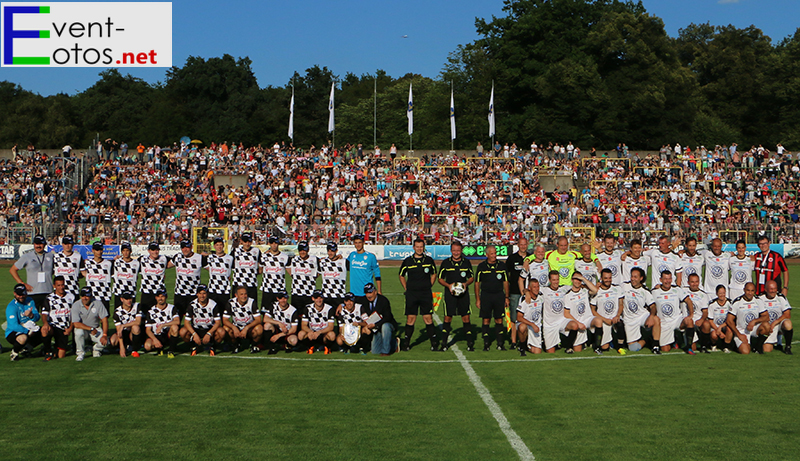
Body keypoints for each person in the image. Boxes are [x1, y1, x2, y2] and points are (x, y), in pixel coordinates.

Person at [399, 238, 438, 351]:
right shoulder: (408, 261)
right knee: (411, 319)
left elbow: (434, 274)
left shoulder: (429, 260)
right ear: (413, 248)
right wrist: (406, 287)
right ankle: (406, 344)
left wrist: (429, 285)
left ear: (424, 247)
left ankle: (434, 343)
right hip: (412, 294)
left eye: (421, 247)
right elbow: (401, 275)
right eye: (417, 247)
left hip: (425, 294)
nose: (419, 249)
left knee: (428, 318)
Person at [437, 241, 475, 351]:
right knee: (448, 317)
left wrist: (466, 284)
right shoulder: (446, 263)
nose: (456, 253)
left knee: (466, 317)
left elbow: (471, 277)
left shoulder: (466, 263)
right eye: (454, 250)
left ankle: (470, 343)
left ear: (461, 250)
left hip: (463, 295)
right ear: (451, 251)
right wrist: (448, 286)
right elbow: (440, 279)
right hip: (450, 295)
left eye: (458, 250)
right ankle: (444, 344)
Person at [474, 245, 509, 351]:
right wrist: (478, 299)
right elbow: (477, 283)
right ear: (487, 254)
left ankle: (500, 343)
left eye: (495, 253)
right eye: (492, 253)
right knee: (486, 319)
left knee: (499, 319)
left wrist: (506, 297)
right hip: (486, 296)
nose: (494, 255)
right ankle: (486, 344)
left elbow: (506, 282)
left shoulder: (502, 266)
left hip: (499, 295)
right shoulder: (481, 266)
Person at [652, 271, 695, 354]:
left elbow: (688, 301)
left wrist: (691, 315)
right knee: (665, 349)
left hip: (677, 320)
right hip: (664, 323)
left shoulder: (677, 290)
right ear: (661, 279)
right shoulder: (654, 292)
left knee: (689, 322)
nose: (667, 281)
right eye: (665, 279)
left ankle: (688, 347)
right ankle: (675, 339)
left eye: (669, 279)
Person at [539, 271, 581, 353]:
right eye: (554, 280)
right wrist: (527, 293)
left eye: (557, 279)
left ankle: (568, 347)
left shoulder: (564, 289)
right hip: (549, 325)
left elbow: (578, 286)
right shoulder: (544, 290)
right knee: (550, 352)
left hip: (562, 321)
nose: (556, 282)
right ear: (549, 280)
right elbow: (528, 289)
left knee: (575, 325)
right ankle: (546, 342)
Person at [621, 267, 661, 354]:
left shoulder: (645, 291)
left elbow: (653, 306)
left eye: (635, 277)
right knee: (633, 348)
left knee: (656, 319)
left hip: (642, 316)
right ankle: (647, 339)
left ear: (641, 278)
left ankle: (655, 346)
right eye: (632, 276)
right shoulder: (624, 286)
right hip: (629, 320)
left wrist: (651, 316)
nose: (633, 279)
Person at [10, 234, 54, 310]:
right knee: (32, 318)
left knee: (49, 319)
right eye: (36, 244)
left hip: (48, 292)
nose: (38, 246)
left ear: (45, 244)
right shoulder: (26, 256)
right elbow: (13, 270)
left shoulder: (51, 256)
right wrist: (22, 283)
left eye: (41, 244)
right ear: (33, 244)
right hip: (32, 292)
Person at [180, 285, 225, 356]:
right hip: (197, 328)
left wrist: (209, 333)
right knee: (183, 331)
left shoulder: (213, 304)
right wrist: (194, 334)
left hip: (209, 329)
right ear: (197, 294)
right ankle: (193, 346)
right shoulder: (192, 305)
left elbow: (218, 322)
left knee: (221, 332)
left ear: (207, 294)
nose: (202, 296)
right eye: (200, 293)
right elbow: (186, 322)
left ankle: (213, 346)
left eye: (204, 293)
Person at [727, 282, 769, 354]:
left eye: (752, 291)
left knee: (766, 326)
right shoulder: (737, 302)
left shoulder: (758, 301)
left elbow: (766, 317)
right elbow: (729, 320)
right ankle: (735, 344)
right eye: (748, 290)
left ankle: (758, 347)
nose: (750, 293)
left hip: (754, 329)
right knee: (745, 351)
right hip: (741, 331)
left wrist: (754, 321)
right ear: (744, 290)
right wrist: (739, 334)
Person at [589, 268, 624, 354]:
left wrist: (618, 315)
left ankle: (620, 347)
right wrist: (605, 320)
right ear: (601, 278)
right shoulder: (597, 291)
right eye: (606, 278)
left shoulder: (617, 289)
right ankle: (596, 344)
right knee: (605, 348)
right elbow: (592, 310)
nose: (608, 280)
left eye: (609, 278)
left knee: (620, 324)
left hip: (615, 319)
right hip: (603, 320)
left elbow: (621, 304)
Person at [6, 283, 43, 361]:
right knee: (23, 338)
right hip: (13, 332)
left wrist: (31, 315)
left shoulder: (30, 301)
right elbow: (13, 325)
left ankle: (26, 349)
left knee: (45, 331)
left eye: (23, 294)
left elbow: (37, 317)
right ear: (14, 294)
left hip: (29, 327)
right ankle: (14, 352)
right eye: (19, 295)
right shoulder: (11, 307)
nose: (21, 296)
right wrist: (27, 331)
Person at [564, 271, 599, 353]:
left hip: (587, 320)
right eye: (576, 279)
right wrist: (578, 323)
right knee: (578, 350)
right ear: (572, 280)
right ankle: (569, 347)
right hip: (577, 323)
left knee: (598, 321)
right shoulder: (568, 295)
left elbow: (595, 290)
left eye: (579, 279)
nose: (578, 281)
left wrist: (583, 278)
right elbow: (566, 313)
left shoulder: (584, 291)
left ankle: (597, 348)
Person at [505, 236, 531, 348]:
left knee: (529, 317)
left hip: (530, 293)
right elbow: (507, 275)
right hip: (515, 292)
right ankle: (514, 342)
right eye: (521, 244)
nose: (523, 246)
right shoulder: (512, 258)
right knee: (514, 318)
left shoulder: (531, 257)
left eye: (525, 244)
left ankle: (528, 341)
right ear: (518, 245)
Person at [71, 286, 109, 362]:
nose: (85, 298)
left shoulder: (98, 303)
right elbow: (76, 324)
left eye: (87, 296)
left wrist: (104, 335)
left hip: (96, 329)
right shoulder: (76, 305)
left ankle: (95, 349)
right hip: (84, 329)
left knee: (106, 342)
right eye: (83, 296)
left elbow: (104, 320)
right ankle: (80, 353)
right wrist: (90, 328)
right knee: (78, 332)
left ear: (91, 296)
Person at [40, 276, 75, 360]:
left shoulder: (71, 297)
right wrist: (45, 323)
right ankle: (48, 351)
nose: (61, 287)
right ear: (54, 286)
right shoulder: (49, 298)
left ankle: (55, 349)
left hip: (64, 328)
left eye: (62, 285)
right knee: (44, 330)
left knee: (61, 356)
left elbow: (75, 314)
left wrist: (70, 328)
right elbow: (44, 314)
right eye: (58, 285)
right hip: (53, 326)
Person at [359, 283, 398, 355]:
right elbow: (353, 299)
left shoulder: (383, 301)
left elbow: (388, 317)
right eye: (367, 293)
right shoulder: (364, 300)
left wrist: (375, 325)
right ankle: (394, 343)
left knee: (385, 326)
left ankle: (385, 352)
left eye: (370, 292)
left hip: (387, 324)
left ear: (375, 292)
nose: (369, 295)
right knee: (375, 351)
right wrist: (341, 304)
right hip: (376, 329)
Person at [222, 285, 263, 354]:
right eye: (241, 294)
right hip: (237, 327)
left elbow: (258, 319)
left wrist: (247, 328)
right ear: (236, 295)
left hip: (249, 327)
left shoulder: (252, 302)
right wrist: (234, 327)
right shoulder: (231, 303)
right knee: (225, 328)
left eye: (245, 294)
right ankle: (235, 345)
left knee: (259, 328)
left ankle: (253, 345)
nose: (244, 296)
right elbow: (225, 320)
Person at [172, 239, 206, 318]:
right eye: (183, 247)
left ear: (191, 247)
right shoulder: (177, 257)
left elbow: (211, 269)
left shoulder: (199, 258)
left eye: (187, 247)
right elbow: (165, 266)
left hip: (193, 294)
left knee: (195, 318)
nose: (185, 249)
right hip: (179, 293)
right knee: (177, 318)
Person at [143, 288, 181, 357]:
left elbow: (177, 321)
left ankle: (171, 351)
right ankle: (160, 348)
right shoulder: (151, 311)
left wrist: (162, 325)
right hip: (157, 335)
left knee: (175, 327)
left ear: (166, 297)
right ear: (156, 298)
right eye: (158, 296)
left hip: (168, 334)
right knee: (147, 346)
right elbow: (148, 330)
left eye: (162, 296)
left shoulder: (172, 308)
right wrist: (155, 340)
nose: (160, 298)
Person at [759, 280, 793, 354]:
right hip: (767, 326)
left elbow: (787, 314)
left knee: (788, 323)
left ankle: (788, 347)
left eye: (775, 288)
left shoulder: (780, 297)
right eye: (771, 289)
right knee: (767, 349)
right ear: (766, 289)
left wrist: (775, 323)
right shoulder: (760, 299)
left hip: (778, 324)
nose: (773, 291)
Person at [139, 242, 174, 311]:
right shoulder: (142, 259)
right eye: (153, 250)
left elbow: (178, 261)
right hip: (147, 292)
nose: (155, 252)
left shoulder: (164, 259)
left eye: (157, 250)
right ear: (148, 250)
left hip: (159, 292)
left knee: (160, 314)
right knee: (144, 315)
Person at [258, 236, 289, 315]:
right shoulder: (264, 257)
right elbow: (260, 271)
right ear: (269, 244)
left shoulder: (285, 257)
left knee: (280, 315)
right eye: (272, 243)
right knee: (265, 315)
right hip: (267, 290)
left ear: (278, 244)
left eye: (276, 243)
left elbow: (291, 273)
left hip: (279, 290)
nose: (274, 245)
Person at [109, 291, 142, 358]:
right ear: (122, 299)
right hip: (123, 333)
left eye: (130, 298)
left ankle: (134, 349)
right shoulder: (117, 312)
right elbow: (119, 331)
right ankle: (122, 347)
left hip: (132, 333)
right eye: (126, 299)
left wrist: (123, 325)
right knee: (113, 341)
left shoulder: (137, 306)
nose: (129, 301)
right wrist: (122, 347)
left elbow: (138, 322)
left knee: (136, 327)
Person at [82, 241, 113, 310]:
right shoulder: (87, 263)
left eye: (100, 249)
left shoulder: (108, 263)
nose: (99, 252)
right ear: (93, 250)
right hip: (92, 296)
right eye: (97, 250)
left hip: (105, 296)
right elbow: (82, 273)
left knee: (104, 319)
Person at [230, 232, 261, 301]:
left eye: (249, 241)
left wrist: (255, 272)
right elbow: (229, 264)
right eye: (245, 241)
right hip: (238, 283)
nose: (247, 244)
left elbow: (262, 264)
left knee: (252, 307)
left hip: (251, 283)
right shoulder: (235, 251)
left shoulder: (256, 251)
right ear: (241, 241)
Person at [289, 241, 319, 311]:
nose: (302, 252)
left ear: (308, 250)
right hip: (296, 293)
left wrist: (311, 277)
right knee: (296, 318)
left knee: (309, 317)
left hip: (309, 293)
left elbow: (321, 270)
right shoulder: (294, 260)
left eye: (304, 250)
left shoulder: (315, 259)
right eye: (300, 250)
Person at [516, 279, 543, 356]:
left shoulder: (541, 297)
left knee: (537, 352)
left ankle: (528, 345)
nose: (537, 289)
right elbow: (519, 317)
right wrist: (532, 324)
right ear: (529, 288)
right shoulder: (524, 299)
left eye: (538, 286)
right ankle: (522, 346)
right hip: (527, 324)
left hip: (536, 326)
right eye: (534, 287)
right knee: (522, 327)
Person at [685, 273, 711, 353]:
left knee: (706, 324)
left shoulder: (703, 295)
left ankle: (703, 346)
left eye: (696, 282)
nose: (694, 284)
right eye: (692, 282)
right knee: (693, 348)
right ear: (688, 282)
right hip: (687, 320)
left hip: (698, 320)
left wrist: (702, 320)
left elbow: (705, 312)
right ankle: (688, 346)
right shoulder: (683, 291)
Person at [206, 237, 234, 309]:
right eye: (217, 245)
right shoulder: (209, 258)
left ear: (223, 246)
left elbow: (235, 270)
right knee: (212, 313)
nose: (219, 247)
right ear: (214, 246)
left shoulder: (230, 258)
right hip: (213, 289)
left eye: (221, 245)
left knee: (224, 314)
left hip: (225, 290)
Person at [319, 242, 347, 310]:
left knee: (341, 319)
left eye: (332, 251)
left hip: (339, 295)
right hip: (326, 296)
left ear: (336, 251)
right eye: (328, 250)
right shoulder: (322, 262)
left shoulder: (344, 261)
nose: (330, 253)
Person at [112, 242, 140, 309]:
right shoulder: (116, 262)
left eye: (127, 250)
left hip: (131, 292)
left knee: (131, 314)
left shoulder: (137, 263)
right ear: (121, 252)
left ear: (130, 251)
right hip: (119, 293)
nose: (125, 252)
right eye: (124, 251)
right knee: (119, 314)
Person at [708, 285, 733, 352]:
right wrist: (717, 329)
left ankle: (726, 346)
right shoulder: (712, 304)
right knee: (714, 335)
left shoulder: (730, 303)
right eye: (720, 293)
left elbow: (731, 319)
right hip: (715, 326)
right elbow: (710, 321)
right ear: (716, 293)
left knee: (730, 329)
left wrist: (721, 327)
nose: (722, 295)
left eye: (724, 293)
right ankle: (713, 345)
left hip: (725, 325)